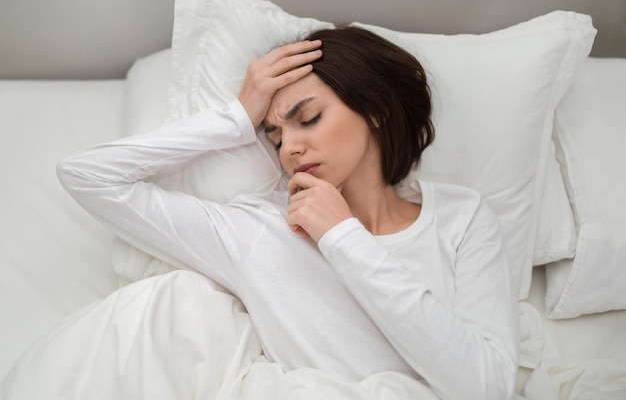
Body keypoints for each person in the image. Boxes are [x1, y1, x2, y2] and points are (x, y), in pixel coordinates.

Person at [57, 26, 518, 400]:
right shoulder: (258, 230)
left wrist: (343, 236)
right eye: (274, 136)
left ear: (374, 107)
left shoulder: (461, 218)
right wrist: (236, 117)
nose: (290, 148)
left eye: (308, 117)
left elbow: (486, 387)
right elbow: (86, 176)